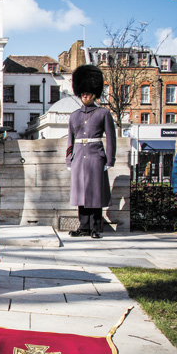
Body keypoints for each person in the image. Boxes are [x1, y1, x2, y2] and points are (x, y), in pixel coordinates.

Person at [66, 65, 117, 239]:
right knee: (81, 193)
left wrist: (109, 160)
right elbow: (70, 140)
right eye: (83, 93)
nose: (85, 95)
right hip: (79, 157)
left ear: (95, 94)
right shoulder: (74, 116)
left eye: (88, 92)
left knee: (95, 193)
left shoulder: (103, 113)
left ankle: (96, 226)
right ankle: (84, 226)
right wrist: (68, 161)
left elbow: (111, 138)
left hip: (96, 156)